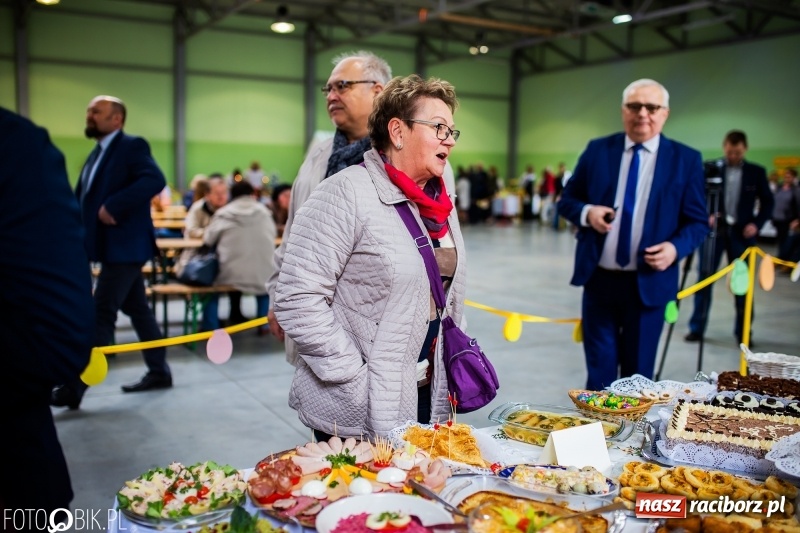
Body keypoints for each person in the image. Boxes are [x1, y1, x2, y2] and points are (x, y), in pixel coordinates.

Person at [274, 74, 466, 439]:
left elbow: (448, 294)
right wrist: (353, 373)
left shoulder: (442, 205)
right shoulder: (345, 193)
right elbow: (297, 297)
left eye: (452, 131)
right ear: (397, 131)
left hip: (427, 389)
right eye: (439, 128)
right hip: (362, 399)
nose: (449, 141)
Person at [558, 79, 708, 390]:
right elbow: (567, 201)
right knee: (599, 375)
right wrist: (588, 213)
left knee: (638, 379)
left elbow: (698, 223)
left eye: (651, 107)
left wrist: (674, 248)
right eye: (634, 106)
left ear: (664, 113)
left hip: (649, 284)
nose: (643, 113)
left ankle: (633, 438)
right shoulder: (599, 150)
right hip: (600, 280)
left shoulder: (686, 159)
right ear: (623, 110)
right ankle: (601, 435)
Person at [265, 50, 393, 362]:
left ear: (377, 90)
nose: (331, 95)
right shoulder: (318, 156)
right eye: (328, 89)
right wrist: (278, 297)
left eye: (342, 86)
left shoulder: (403, 155)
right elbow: (295, 233)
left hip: (379, 317)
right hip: (317, 312)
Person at [0, 108, 94, 526]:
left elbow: (57, 335)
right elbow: (59, 335)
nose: (88, 114)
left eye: (97, 111)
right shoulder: (17, 145)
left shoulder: (14, 147)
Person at [51, 95, 172, 409]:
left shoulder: (131, 146)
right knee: (138, 311)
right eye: (89, 110)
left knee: (101, 312)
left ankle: (75, 386)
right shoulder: (97, 153)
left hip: (125, 247)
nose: (89, 115)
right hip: (109, 248)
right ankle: (159, 371)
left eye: (97, 111)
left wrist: (113, 205)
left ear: (117, 119)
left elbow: (154, 179)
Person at [684, 130, 774, 344]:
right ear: (724, 147)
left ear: (745, 149)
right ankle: (697, 328)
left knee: (742, 284)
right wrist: (705, 215)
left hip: (742, 234)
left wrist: (756, 224)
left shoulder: (756, 172)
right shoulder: (711, 168)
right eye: (730, 151)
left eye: (738, 152)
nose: (733, 155)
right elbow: (696, 196)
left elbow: (768, 202)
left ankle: (743, 332)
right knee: (704, 279)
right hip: (713, 234)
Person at [202, 181, 275, 334]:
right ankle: (264, 325)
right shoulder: (265, 212)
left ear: (231, 195)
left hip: (229, 272)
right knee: (263, 285)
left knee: (208, 287)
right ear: (252, 194)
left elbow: (208, 239)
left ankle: (210, 327)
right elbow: (273, 235)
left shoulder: (224, 213)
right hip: (263, 272)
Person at [175, 175, 228, 279]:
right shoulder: (198, 208)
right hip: (197, 258)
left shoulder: (229, 210)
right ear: (207, 195)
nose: (221, 197)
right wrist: (214, 234)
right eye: (217, 193)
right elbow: (191, 231)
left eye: (224, 193)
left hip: (223, 258)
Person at [774, 168, 798, 262]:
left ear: (793, 178)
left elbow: (797, 205)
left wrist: (797, 220)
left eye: (789, 177)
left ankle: (785, 259)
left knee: (787, 241)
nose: (786, 178)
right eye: (785, 176)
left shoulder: (795, 190)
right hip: (777, 218)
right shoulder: (779, 187)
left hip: (788, 219)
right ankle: (781, 257)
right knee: (780, 240)